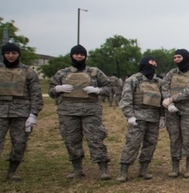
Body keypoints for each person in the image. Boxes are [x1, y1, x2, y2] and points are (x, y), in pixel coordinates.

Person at [49, 45, 113, 179]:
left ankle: (103, 170)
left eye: (81, 54)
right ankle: (77, 169)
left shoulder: (95, 72)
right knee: (71, 140)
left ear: (85, 56)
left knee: (96, 139)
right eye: (76, 54)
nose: (79, 57)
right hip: (68, 112)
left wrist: (98, 90)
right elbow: (51, 92)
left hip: (91, 111)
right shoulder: (62, 73)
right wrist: (58, 89)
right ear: (71, 55)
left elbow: (109, 88)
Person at [117, 56, 164, 182]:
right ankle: (123, 171)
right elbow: (126, 99)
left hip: (153, 118)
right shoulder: (134, 80)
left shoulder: (158, 82)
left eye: (155, 61)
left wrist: (162, 116)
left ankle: (143, 170)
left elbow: (162, 100)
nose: (154, 63)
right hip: (137, 118)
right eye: (151, 61)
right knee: (132, 143)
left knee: (150, 144)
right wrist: (130, 116)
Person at [0, 42, 43, 181]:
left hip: (21, 113)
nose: (11, 56)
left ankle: (12, 171)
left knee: (19, 142)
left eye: (14, 53)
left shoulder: (28, 71)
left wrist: (33, 114)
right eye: (7, 53)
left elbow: (36, 94)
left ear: (18, 54)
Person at [161, 48, 189, 178]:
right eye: (175, 57)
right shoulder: (172, 73)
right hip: (172, 110)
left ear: (186, 58)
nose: (176, 60)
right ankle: (175, 167)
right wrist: (170, 102)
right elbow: (164, 86)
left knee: (188, 138)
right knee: (174, 138)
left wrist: (172, 99)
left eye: (179, 57)